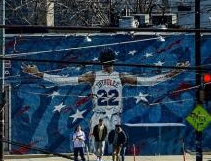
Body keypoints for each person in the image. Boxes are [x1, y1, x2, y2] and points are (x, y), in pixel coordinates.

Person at [24, 49, 185, 149]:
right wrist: (173, 73)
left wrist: (40, 74)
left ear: (101, 62)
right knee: (104, 146)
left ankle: (102, 154)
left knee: (105, 147)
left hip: (103, 116)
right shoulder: (120, 76)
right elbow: (150, 81)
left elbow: (64, 80)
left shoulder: (95, 76)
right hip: (109, 116)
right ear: (113, 62)